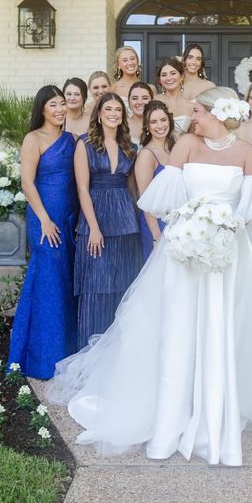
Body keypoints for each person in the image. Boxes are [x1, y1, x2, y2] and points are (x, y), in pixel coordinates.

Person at [48, 87, 252, 466]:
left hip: (228, 252)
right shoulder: (186, 146)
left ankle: (215, 407)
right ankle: (170, 413)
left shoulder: (247, 152)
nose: (192, 117)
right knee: (178, 325)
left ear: (217, 112)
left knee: (219, 325)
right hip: (183, 249)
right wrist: (191, 224)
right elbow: (164, 201)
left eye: (198, 111)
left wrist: (223, 226)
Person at [8, 86, 79, 379]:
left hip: (69, 217)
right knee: (48, 280)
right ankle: (44, 357)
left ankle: (69, 353)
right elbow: (27, 183)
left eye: (63, 103)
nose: (61, 109)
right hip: (44, 219)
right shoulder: (33, 139)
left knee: (65, 281)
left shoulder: (71, 139)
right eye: (54, 104)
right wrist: (46, 220)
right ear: (43, 108)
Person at [73, 93, 142, 350]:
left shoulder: (130, 147)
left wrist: (142, 224)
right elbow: (82, 188)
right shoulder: (85, 144)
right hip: (96, 220)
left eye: (118, 110)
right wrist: (93, 228)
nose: (113, 113)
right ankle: (90, 355)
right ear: (99, 113)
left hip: (125, 223)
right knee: (95, 290)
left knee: (123, 288)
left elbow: (133, 189)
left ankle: (119, 356)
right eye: (108, 109)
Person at [134, 100, 175, 261]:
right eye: (154, 122)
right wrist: (156, 234)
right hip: (155, 223)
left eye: (163, 120)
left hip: (175, 220)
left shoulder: (175, 148)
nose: (160, 125)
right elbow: (145, 200)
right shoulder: (146, 155)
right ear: (147, 126)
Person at [156, 57, 194, 137]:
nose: (168, 78)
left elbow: (192, 138)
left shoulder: (191, 107)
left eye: (173, 73)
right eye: (164, 75)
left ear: (181, 77)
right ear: (160, 79)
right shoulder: (154, 100)